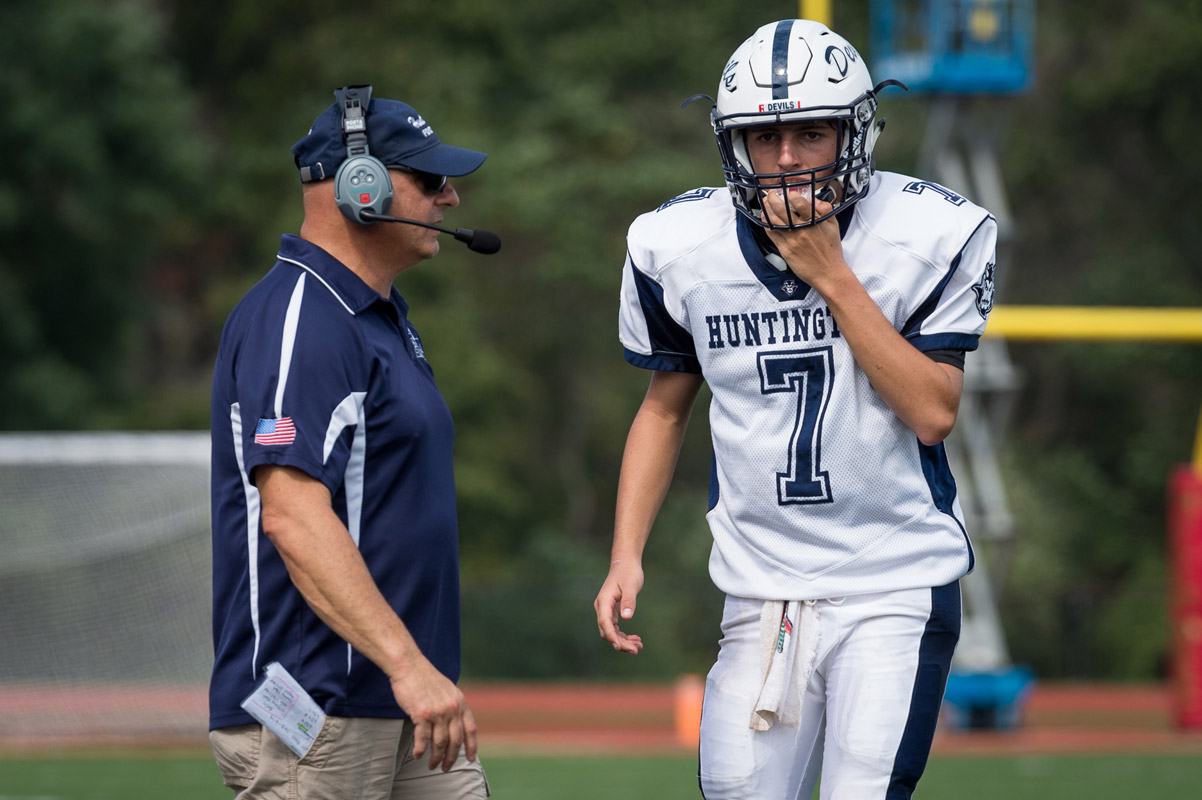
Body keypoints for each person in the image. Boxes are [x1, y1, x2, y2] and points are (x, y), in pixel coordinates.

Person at [594, 19, 997, 800]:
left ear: (855, 133)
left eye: (810, 133)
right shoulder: (674, 244)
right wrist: (625, 553)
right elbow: (664, 409)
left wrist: (834, 276)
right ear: (730, 143)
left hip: (893, 581)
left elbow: (932, 412)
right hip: (759, 586)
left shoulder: (931, 231)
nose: (783, 158)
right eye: (762, 135)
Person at [209, 85, 491, 799]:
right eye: (430, 180)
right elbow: (292, 515)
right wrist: (407, 664)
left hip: (405, 700)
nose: (450, 199)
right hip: (321, 709)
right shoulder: (302, 317)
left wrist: (413, 674)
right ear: (360, 187)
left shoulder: (376, 316)